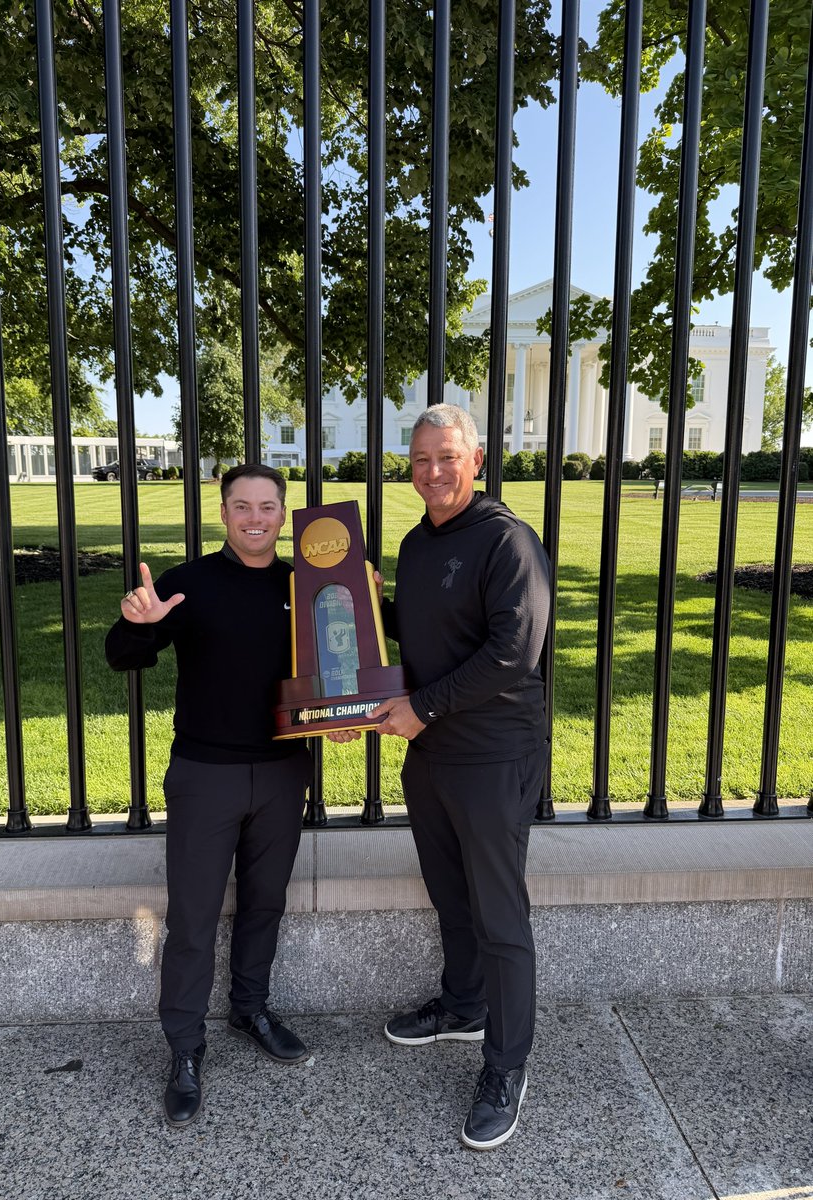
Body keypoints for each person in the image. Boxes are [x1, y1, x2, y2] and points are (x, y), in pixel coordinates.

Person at [331, 404, 550, 1151]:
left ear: (476, 460)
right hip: (430, 752)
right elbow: (426, 629)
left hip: (492, 754)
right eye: (421, 459)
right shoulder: (416, 543)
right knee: (450, 895)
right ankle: (464, 1006)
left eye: (447, 457)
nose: (433, 472)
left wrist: (422, 707)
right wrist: (368, 606)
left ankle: (507, 1066)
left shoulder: (507, 541)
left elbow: (513, 651)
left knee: (499, 915)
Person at [105, 463, 312, 1129]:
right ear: (223, 514)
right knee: (193, 918)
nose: (255, 518)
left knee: (265, 902)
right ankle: (185, 1047)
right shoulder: (188, 583)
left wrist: (345, 713)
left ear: (283, 515)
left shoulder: (305, 586)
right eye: (241, 506)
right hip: (205, 773)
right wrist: (138, 624)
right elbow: (124, 655)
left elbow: (341, 666)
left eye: (267, 506)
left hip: (282, 772)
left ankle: (250, 1008)